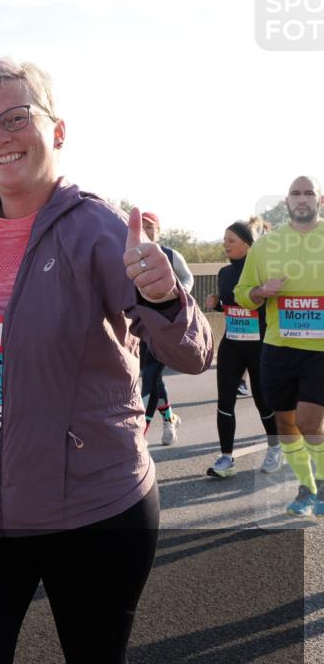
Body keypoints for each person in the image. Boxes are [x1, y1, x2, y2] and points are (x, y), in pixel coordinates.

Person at [0, 58, 213, 664]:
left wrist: (164, 297)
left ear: (58, 130)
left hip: (94, 504)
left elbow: (192, 355)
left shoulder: (99, 229)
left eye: (17, 118)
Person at [235, 175, 324, 517]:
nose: (302, 198)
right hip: (279, 346)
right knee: (285, 424)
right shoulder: (266, 246)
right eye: (295, 193)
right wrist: (260, 292)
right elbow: (243, 294)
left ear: (318, 200)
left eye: (309, 193)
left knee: (309, 422)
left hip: (319, 351)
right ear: (287, 202)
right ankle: (307, 487)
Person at [203, 221, 278, 477]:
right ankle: (226, 458)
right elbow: (229, 305)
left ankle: (275, 447)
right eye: (224, 239)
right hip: (232, 344)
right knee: (225, 401)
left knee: (262, 401)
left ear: (248, 243)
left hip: (259, 346)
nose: (225, 244)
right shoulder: (224, 273)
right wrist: (216, 304)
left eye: (231, 240)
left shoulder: (262, 271)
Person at [138, 211, 194, 445]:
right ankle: (169, 420)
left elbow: (187, 277)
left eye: (150, 227)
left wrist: (178, 297)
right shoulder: (131, 256)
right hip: (140, 327)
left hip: (167, 327)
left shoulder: (170, 255)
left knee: (150, 376)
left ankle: (140, 434)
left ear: (158, 231)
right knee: (153, 377)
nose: (146, 231)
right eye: (142, 227)